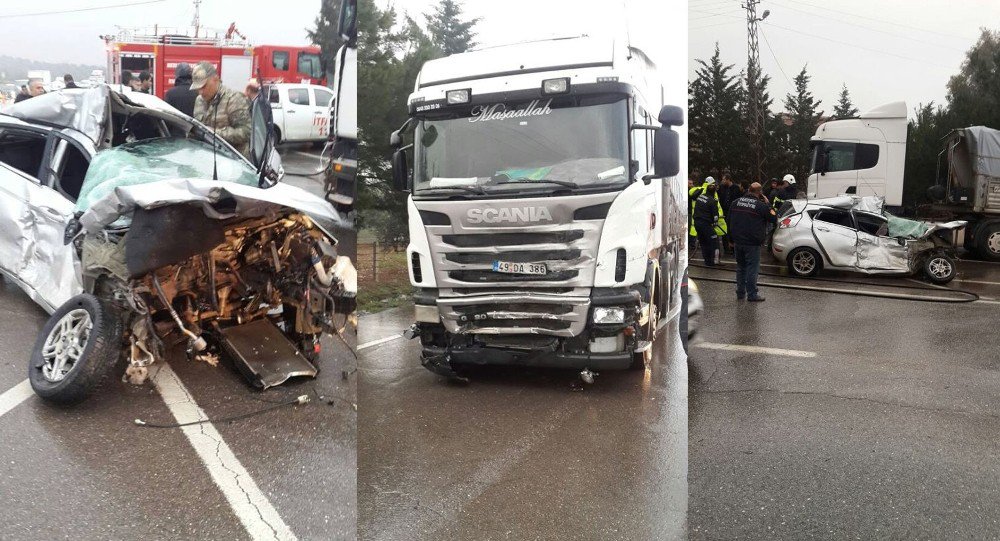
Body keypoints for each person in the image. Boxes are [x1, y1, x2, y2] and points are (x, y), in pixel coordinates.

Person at [728, 182, 777, 302]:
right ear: (759, 193)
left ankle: (740, 292)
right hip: (753, 243)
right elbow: (774, 217)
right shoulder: (761, 206)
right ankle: (752, 294)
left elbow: (729, 221)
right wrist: (768, 204)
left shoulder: (735, 203)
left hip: (738, 242)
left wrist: (730, 240)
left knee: (741, 267)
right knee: (752, 269)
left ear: (748, 190)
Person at [191, 61, 251, 157]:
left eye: (203, 86)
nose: (200, 92)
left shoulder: (234, 99)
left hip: (233, 161)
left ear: (215, 79)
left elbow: (246, 132)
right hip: (206, 158)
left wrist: (213, 133)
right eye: (197, 88)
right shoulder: (199, 100)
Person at [692, 177, 727, 266]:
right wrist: (714, 222)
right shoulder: (712, 201)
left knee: (703, 242)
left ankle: (707, 261)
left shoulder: (700, 197)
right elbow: (715, 217)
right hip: (706, 224)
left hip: (697, 223)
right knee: (714, 241)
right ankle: (715, 260)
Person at [717, 174, 739, 256]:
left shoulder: (736, 188)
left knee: (732, 229)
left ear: (728, 179)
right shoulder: (722, 188)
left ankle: (733, 248)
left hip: (734, 212)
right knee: (724, 230)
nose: (722, 181)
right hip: (724, 212)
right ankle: (726, 248)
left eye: (724, 180)